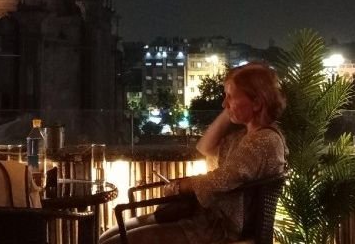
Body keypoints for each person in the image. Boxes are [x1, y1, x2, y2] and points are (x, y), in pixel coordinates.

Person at [99, 63, 287, 244]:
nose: (223, 103)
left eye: (230, 97)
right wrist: (229, 112)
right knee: (108, 236)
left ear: (256, 103)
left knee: (114, 241)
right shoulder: (246, 136)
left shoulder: (264, 141)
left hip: (218, 229)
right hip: (207, 220)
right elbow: (205, 148)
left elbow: (223, 179)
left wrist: (183, 186)